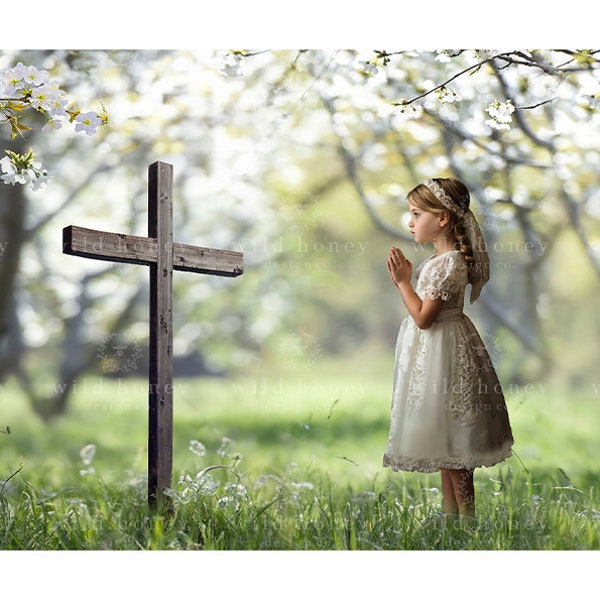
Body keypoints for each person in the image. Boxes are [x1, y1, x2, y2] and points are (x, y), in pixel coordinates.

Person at [382, 177, 513, 521]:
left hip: (446, 354)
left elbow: (424, 318)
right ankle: (450, 519)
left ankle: (467, 522)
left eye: (416, 214)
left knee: (456, 443)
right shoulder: (440, 261)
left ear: (442, 219)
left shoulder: (449, 263)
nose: (410, 222)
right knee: (444, 441)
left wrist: (402, 283)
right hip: (436, 353)